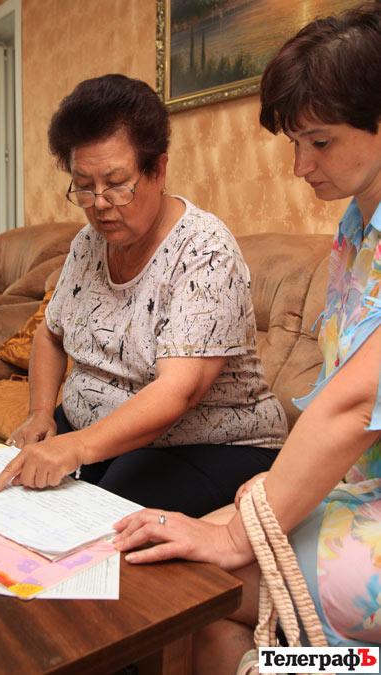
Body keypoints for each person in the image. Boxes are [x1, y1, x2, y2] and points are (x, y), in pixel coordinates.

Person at [113, 4, 381, 670]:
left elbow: (356, 403)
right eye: (295, 143)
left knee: (191, 573)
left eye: (320, 142)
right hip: (358, 489)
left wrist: (242, 532)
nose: (300, 165)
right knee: (158, 551)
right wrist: (275, 489)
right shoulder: (356, 229)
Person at [0, 74, 287, 516]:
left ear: (158, 170)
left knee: (98, 517)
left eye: (116, 183)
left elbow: (178, 392)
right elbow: (50, 335)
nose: (99, 203)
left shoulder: (205, 251)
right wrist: (40, 414)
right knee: (13, 496)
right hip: (101, 433)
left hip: (207, 443)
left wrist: (76, 448)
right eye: (84, 185)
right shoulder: (87, 244)